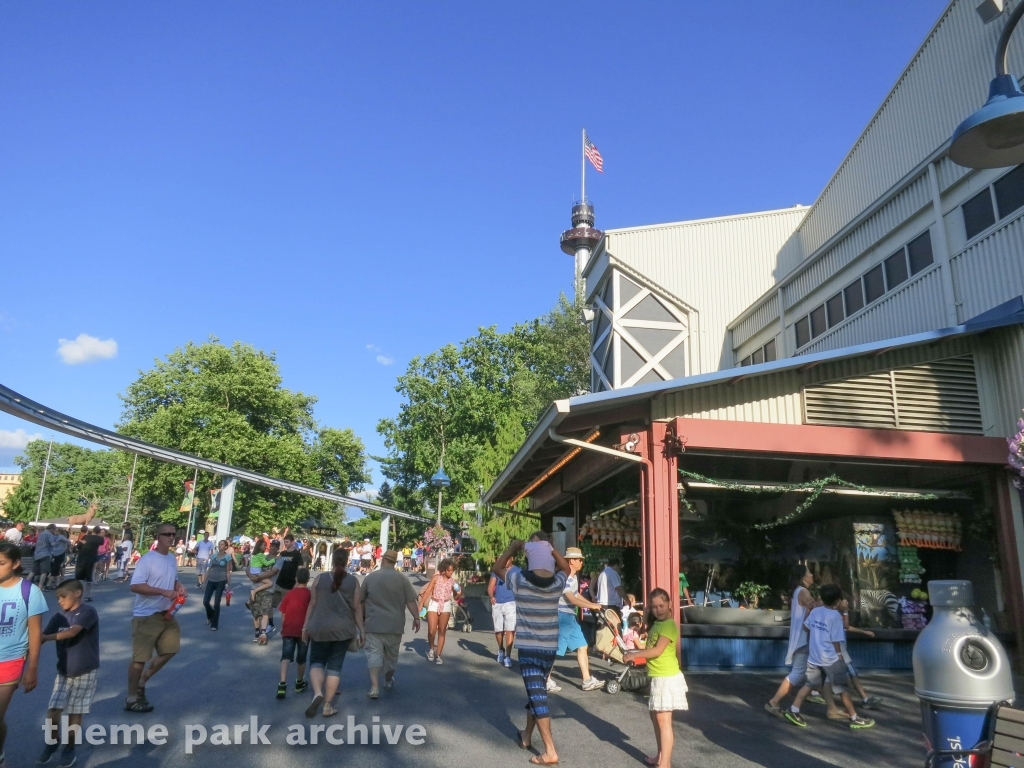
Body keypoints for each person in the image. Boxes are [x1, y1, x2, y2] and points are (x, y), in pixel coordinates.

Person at [493, 538, 569, 767]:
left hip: (528, 650)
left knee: (538, 696)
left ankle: (550, 751)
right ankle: (526, 735)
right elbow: (566, 568)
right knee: (535, 693)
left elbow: (496, 568)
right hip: (550, 650)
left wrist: (511, 548)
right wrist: (553, 549)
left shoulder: (519, 581)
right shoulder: (557, 583)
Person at [785, 584, 875, 729]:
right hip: (830, 658)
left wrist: (811, 615)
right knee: (842, 689)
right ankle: (854, 717)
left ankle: (793, 710)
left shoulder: (815, 611)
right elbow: (836, 640)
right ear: (837, 601)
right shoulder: (835, 616)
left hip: (814, 657)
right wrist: (839, 656)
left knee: (809, 685)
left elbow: (805, 628)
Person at [37, 579, 100, 768]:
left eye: (63, 596)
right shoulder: (58, 617)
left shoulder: (88, 612)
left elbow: (73, 632)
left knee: (75, 711)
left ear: (78, 593)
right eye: (57, 597)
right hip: (64, 670)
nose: (59, 600)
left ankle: (69, 748)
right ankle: (52, 740)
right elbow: (40, 637)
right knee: (54, 710)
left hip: (85, 669)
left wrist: (46, 637)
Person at [624, 588, 689, 768]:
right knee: (655, 718)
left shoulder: (668, 624)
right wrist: (634, 650)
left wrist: (633, 655)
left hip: (666, 678)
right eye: (654, 607)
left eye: (661, 605)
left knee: (663, 721)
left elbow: (657, 650)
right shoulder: (658, 624)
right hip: (658, 677)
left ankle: (665, 764)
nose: (658, 610)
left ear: (669, 604)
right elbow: (650, 642)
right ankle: (661, 756)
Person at [126, 522, 186, 713]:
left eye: (173, 534)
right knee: (140, 659)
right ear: (158, 537)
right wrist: (163, 592)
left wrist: (178, 585)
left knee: (171, 649)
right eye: (167, 534)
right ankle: (132, 698)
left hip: (167, 614)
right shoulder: (147, 560)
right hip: (146, 615)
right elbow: (135, 586)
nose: (171, 537)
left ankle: (143, 681)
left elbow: (172, 578)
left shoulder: (171, 558)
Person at [301, 548, 362, 718]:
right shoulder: (353, 581)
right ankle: (327, 706)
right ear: (348, 560)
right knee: (335, 667)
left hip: (319, 627)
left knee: (316, 662)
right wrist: (362, 630)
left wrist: (305, 626)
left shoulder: (320, 578)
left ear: (333, 560)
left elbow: (312, 604)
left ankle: (318, 693)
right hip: (343, 630)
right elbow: (357, 607)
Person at [0, 540, 46, 765]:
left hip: (10, 661)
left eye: (1, 563)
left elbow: (35, 633)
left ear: (16, 563)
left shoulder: (29, 591)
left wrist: (33, 668)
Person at [358, 549, 420, 698]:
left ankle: (374, 687)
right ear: (394, 562)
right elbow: (411, 601)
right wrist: (416, 617)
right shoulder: (402, 579)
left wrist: (360, 622)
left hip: (373, 624)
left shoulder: (370, 578)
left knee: (374, 655)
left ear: (383, 560)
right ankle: (388, 679)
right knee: (391, 658)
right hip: (395, 625)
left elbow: (360, 601)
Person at [811, 595, 883, 716]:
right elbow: (845, 626)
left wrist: (863, 632)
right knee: (845, 677)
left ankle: (820, 696)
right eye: (842, 601)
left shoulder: (832, 614)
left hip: (837, 650)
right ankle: (856, 709)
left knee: (832, 678)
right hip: (837, 651)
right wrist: (845, 611)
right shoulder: (833, 614)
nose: (845, 603)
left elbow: (846, 627)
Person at [551, 546, 605, 692]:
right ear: (571, 561)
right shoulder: (564, 577)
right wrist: (592, 607)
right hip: (562, 617)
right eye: (579, 560)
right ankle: (545, 679)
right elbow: (572, 599)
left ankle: (587, 680)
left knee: (582, 646)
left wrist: (592, 604)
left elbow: (576, 595)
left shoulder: (573, 576)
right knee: (555, 651)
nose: (582, 562)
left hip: (570, 617)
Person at [765, 563, 817, 717]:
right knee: (798, 673)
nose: (812, 575)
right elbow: (813, 607)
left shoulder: (798, 591)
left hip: (801, 639)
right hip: (803, 639)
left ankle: (817, 693)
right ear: (803, 577)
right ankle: (774, 702)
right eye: (809, 573)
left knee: (811, 671)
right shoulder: (804, 592)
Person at [277, 567, 311, 699]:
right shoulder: (309, 594)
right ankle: (299, 681)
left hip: (289, 629)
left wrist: (283, 627)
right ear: (308, 580)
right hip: (303, 630)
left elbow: (283, 613)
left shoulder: (289, 594)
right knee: (301, 658)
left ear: (296, 579)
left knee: (285, 657)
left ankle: (282, 683)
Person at [419, 558, 459, 665]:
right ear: (444, 570)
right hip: (434, 603)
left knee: (442, 631)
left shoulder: (453, 582)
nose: (451, 573)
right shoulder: (436, 578)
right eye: (449, 570)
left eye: (452, 571)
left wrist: (458, 593)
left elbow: (456, 596)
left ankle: (438, 655)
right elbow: (428, 591)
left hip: (446, 605)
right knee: (431, 630)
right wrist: (421, 604)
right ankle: (431, 649)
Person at [249, 540, 280, 644]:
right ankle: (257, 633)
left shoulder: (278, 559)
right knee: (256, 613)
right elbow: (248, 568)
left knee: (266, 611)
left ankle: (263, 633)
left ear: (278, 549)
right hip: (255, 586)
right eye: (272, 546)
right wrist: (251, 576)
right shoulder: (261, 556)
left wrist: (258, 577)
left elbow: (272, 572)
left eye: (276, 547)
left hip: (269, 590)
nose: (273, 548)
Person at [272, 534, 303, 627]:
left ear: (292, 542)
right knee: (269, 605)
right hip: (279, 583)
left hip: (290, 585)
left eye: (287, 542)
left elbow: (300, 569)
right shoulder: (282, 554)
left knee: (285, 610)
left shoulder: (297, 554)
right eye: (284, 542)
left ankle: (284, 628)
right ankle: (269, 623)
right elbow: (275, 567)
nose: (285, 543)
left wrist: (297, 583)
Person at [488, 566, 516, 668]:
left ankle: (508, 656)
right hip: (498, 603)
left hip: (511, 602)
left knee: (510, 629)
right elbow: (491, 586)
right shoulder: (497, 570)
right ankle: (501, 649)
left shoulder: (517, 570)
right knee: (498, 630)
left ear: (511, 558)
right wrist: (491, 596)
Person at [203, 540, 233, 631]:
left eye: (222, 544)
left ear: (225, 547)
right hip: (211, 580)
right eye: (219, 544)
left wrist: (228, 583)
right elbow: (209, 569)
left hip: (221, 581)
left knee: (216, 603)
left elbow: (228, 571)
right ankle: (211, 616)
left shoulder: (227, 557)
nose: (220, 546)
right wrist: (204, 582)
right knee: (205, 601)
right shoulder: (213, 556)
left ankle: (214, 624)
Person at [74, 527, 104, 603]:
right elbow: (102, 543)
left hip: (82, 558)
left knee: (79, 578)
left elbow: (78, 547)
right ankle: (87, 596)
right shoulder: (100, 539)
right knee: (89, 578)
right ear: (99, 532)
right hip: (91, 559)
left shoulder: (85, 537)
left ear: (92, 530)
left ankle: (77, 595)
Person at [33, 524, 59, 590]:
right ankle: (40, 586)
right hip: (45, 554)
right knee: (44, 572)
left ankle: (25, 583)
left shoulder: (41, 534)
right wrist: (57, 542)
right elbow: (53, 543)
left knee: (33, 571)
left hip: (37, 554)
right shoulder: (49, 534)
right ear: (52, 529)